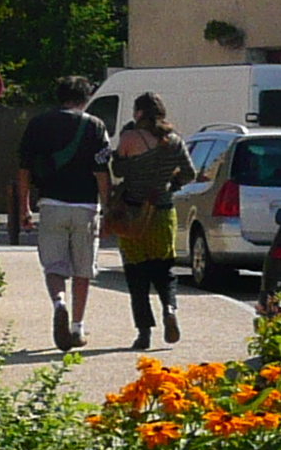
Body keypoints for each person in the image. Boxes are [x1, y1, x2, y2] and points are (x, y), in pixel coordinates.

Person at [16, 76, 111, 350]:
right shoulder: (95, 126)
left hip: (50, 205)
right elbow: (101, 173)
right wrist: (107, 211)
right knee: (83, 270)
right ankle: (77, 328)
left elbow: (24, 169)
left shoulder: (38, 124)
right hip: (85, 207)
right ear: (86, 97)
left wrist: (24, 207)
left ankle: (59, 303)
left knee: (54, 266)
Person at [107, 92, 196, 350]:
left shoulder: (130, 138)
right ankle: (169, 309)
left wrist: (120, 153)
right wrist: (171, 185)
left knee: (137, 275)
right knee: (164, 270)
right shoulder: (175, 141)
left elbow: (118, 171)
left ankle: (144, 333)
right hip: (163, 212)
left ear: (138, 113)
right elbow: (190, 173)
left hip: (133, 213)